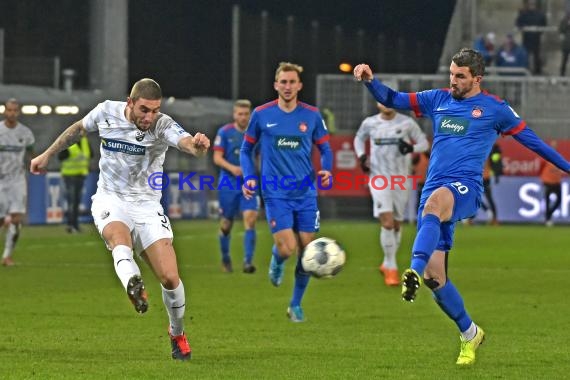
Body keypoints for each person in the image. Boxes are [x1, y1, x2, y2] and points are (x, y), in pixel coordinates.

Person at [353, 48, 570, 366]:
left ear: (477, 79)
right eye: (451, 74)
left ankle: (410, 268)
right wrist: (370, 82)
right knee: (436, 278)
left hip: (465, 187)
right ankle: (470, 333)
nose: (452, 81)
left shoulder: (495, 109)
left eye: (460, 76)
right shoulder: (437, 99)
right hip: (435, 187)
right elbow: (396, 99)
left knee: (433, 205)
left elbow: (533, 142)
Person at [30, 78, 210, 361]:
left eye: (154, 110)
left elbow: (185, 142)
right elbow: (78, 129)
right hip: (111, 199)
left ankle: (177, 333)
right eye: (144, 110)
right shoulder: (106, 112)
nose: (149, 117)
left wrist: (197, 145)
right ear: (130, 102)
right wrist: (47, 154)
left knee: (171, 279)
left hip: (147, 207)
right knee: (119, 239)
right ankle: (133, 283)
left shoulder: (162, 124)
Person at [240, 62, 332, 322]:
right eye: (283, 82)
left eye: (292, 82)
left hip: (305, 194)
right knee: (288, 248)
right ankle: (277, 261)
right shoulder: (261, 114)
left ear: (299, 85)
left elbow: (326, 149)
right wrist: (249, 178)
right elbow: (246, 150)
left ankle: (295, 305)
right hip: (275, 193)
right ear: (276, 85)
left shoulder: (312, 116)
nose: (288, 86)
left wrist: (326, 169)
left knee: (307, 250)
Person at [353, 102, 429, 286]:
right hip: (379, 178)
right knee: (386, 221)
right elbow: (358, 139)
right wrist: (362, 156)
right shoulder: (370, 123)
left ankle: (387, 262)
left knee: (396, 223)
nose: (385, 103)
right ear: (377, 103)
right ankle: (391, 268)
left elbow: (424, 143)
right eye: (381, 100)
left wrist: (411, 148)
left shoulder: (407, 123)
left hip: (400, 179)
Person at [213, 99, 258, 274]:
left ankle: (248, 262)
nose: (243, 117)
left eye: (246, 114)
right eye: (240, 114)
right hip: (228, 182)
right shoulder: (224, 132)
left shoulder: (255, 134)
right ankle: (226, 259)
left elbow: (261, 156)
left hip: (249, 182)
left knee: (250, 219)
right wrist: (233, 168)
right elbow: (217, 158)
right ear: (234, 115)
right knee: (226, 224)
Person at [0, 99, 35, 267]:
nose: (12, 113)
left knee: (15, 218)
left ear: (18, 112)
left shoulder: (25, 133)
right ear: (5, 111)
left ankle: (7, 256)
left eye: (15, 110)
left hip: (17, 180)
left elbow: (31, 153)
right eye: (9, 110)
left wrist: (36, 164)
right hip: (0, 180)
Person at [58, 130, 92, 233]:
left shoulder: (85, 142)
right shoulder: (69, 144)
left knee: (76, 202)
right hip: (69, 176)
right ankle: (71, 225)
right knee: (72, 202)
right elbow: (60, 157)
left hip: (80, 176)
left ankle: (74, 225)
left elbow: (90, 154)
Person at [515, 0, 546, 74]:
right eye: (530, 4)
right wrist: (521, 27)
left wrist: (539, 30)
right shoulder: (524, 14)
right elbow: (518, 22)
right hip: (527, 39)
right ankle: (525, 72)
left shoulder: (540, 14)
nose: (532, 6)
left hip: (536, 39)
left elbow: (544, 24)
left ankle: (537, 73)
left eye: (533, 4)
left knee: (537, 57)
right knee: (526, 56)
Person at [540, 141, 564, 226]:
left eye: (555, 145)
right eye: (552, 145)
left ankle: (548, 215)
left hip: (557, 182)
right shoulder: (546, 157)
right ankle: (547, 219)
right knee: (547, 201)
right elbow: (541, 167)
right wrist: (542, 177)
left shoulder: (559, 157)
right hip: (547, 182)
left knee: (559, 201)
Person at [480, 144, 502, 225]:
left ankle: (494, 218)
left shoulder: (490, 149)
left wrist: (496, 174)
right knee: (474, 198)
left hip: (485, 177)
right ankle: (487, 211)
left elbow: (496, 162)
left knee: (489, 198)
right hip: (476, 177)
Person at [559, 11, 570, 76]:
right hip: (566, 44)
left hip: (566, 43)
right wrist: (567, 24)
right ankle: (562, 75)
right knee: (564, 60)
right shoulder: (564, 20)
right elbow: (561, 30)